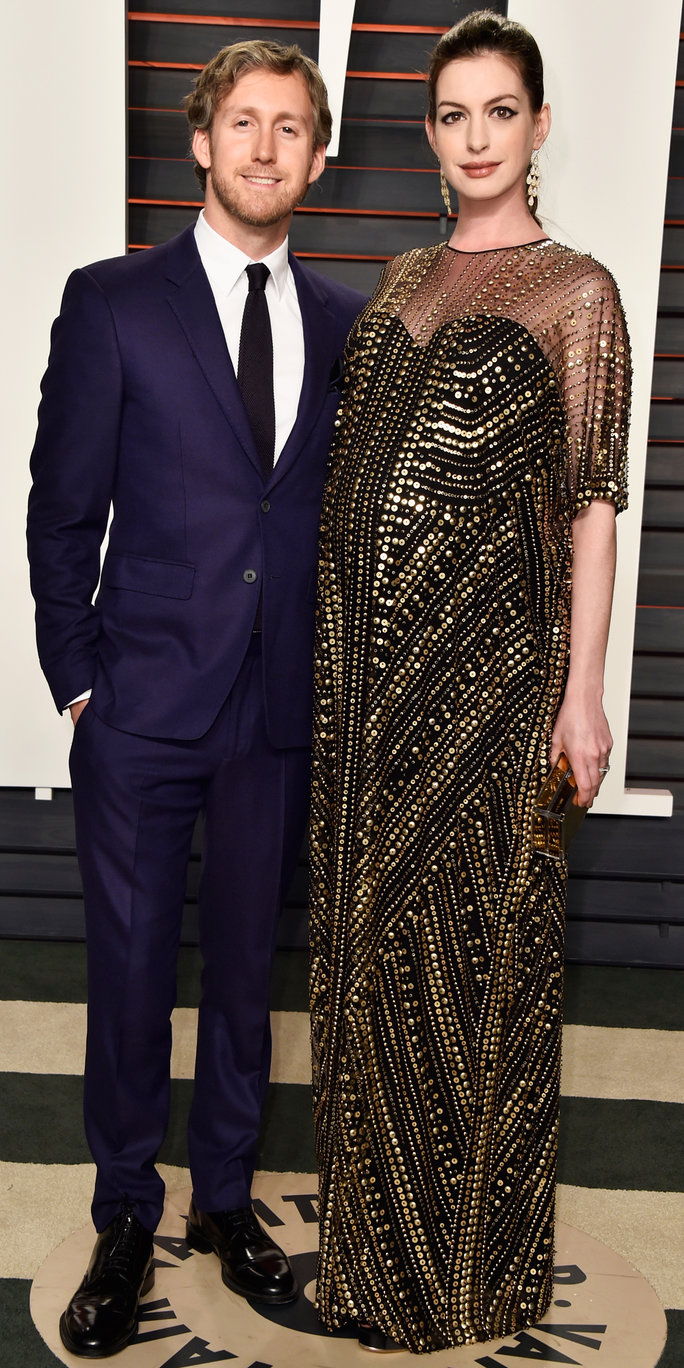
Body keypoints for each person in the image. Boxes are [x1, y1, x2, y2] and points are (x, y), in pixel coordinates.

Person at [27, 38, 363, 1359]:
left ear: (318, 158)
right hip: (142, 708)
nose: (265, 147)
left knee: (241, 977)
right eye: (244, 123)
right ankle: (125, 1213)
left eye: (290, 128)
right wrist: (76, 683)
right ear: (203, 140)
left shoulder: (346, 323)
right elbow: (61, 512)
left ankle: (226, 1203)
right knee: (126, 974)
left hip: (276, 711)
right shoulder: (114, 303)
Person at [309, 9, 630, 1355]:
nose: (476, 136)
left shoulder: (578, 292)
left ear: (538, 127)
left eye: (500, 110)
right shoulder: (398, 281)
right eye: (453, 115)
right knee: (369, 965)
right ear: (431, 134)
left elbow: (595, 504)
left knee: (483, 965)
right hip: (364, 691)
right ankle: (371, 1264)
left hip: (497, 694)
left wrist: (584, 694)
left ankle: (469, 1283)